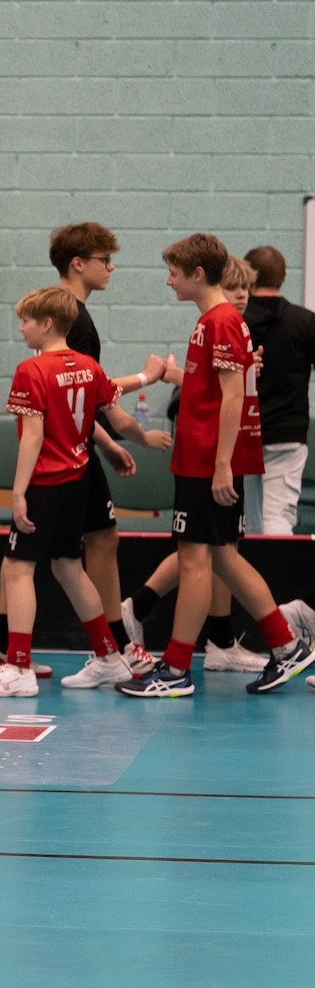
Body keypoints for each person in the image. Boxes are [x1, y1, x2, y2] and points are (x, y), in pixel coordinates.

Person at [116, 234, 312, 697]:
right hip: (204, 458)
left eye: (174, 274)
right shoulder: (218, 321)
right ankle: (286, 646)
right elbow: (212, 386)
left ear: (198, 274)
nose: (169, 282)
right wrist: (172, 373)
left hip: (206, 461)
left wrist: (222, 463)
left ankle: (176, 669)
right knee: (222, 557)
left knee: (195, 561)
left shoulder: (221, 321)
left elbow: (232, 396)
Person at [0, 287, 171, 697]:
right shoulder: (88, 367)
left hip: (45, 483)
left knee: (18, 568)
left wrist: (19, 492)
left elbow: (32, 437)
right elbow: (118, 419)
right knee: (68, 568)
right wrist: (145, 440)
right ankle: (109, 657)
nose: (21, 328)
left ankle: (17, 667)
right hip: (78, 482)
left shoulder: (31, 370)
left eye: (25, 321)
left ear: (46, 324)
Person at [240, 245, 315, 536]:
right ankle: (276, 567)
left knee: (250, 520)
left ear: (248, 277)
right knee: (279, 515)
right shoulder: (304, 322)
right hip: (287, 433)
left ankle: (253, 566)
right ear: (282, 276)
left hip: (244, 430)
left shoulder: (236, 322)